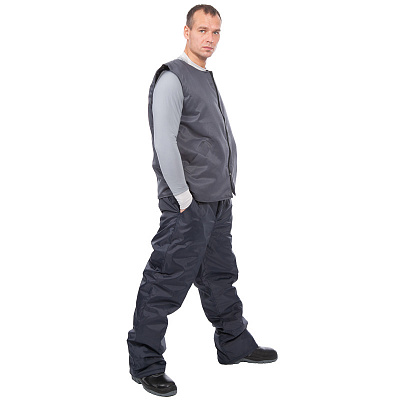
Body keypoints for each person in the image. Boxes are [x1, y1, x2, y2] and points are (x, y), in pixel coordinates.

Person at [127, 4, 277, 397]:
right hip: (188, 205)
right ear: (187, 32)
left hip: (218, 199)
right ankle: (145, 364)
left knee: (219, 275)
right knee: (165, 281)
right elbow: (164, 141)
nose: (209, 38)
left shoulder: (205, 76)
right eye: (202, 30)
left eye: (216, 32)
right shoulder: (172, 77)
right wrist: (181, 196)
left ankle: (234, 343)